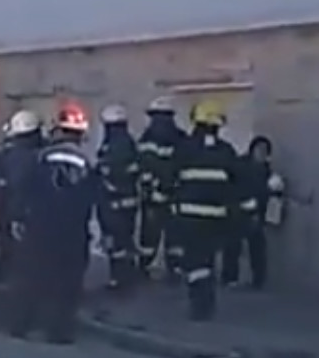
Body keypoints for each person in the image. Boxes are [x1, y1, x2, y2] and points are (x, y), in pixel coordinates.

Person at [9, 101, 96, 344]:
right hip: (73, 231)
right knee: (68, 283)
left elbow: (23, 190)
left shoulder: (40, 157)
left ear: (57, 130)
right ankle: (59, 332)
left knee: (31, 277)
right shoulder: (86, 163)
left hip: (40, 227)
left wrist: (17, 218)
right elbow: (95, 196)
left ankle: (21, 325)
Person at [172, 99, 239, 321]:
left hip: (189, 218)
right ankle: (205, 303)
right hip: (216, 220)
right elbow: (236, 185)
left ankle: (199, 306)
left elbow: (169, 178)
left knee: (194, 263)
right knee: (206, 261)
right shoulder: (227, 152)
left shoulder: (184, 149)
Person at [0, 109, 44, 328]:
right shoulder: (40, 156)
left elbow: (2, 189)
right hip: (30, 218)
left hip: (9, 216)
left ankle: (2, 313)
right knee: (27, 266)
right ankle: (19, 314)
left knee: (8, 264)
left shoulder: (8, 156)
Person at [136, 96, 186, 279]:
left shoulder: (147, 138)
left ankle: (146, 267)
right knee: (172, 235)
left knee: (153, 235)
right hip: (173, 195)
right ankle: (174, 268)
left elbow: (144, 169)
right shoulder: (180, 138)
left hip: (157, 197)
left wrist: (148, 192)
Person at [222, 135, 276, 290]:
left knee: (255, 247)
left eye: (265, 151)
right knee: (235, 246)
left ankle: (255, 279)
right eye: (260, 150)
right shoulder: (243, 166)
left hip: (251, 211)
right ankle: (231, 277)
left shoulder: (262, 169)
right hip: (239, 210)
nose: (262, 154)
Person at [96, 104, 141, 292]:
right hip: (127, 201)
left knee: (116, 243)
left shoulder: (113, 146)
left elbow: (108, 172)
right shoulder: (129, 143)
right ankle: (127, 275)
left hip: (113, 202)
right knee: (125, 239)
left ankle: (120, 279)